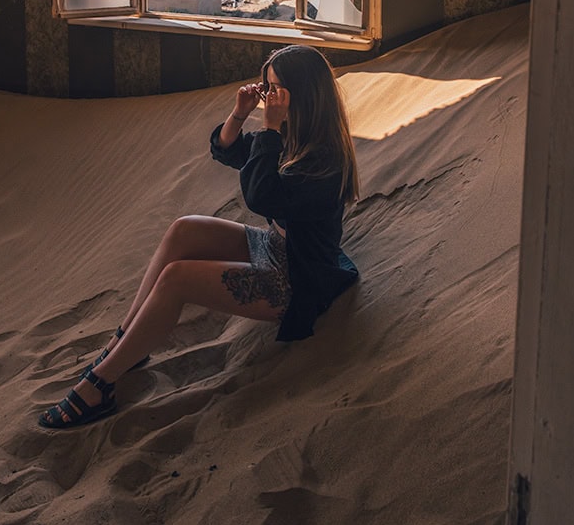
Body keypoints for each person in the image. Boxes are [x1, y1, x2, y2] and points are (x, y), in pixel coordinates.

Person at [38, 44, 360, 430]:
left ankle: (100, 385)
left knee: (177, 279)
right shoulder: (294, 132)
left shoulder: (324, 159)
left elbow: (261, 195)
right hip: (277, 247)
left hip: (299, 280)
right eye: (266, 88)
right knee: (184, 229)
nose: (269, 98)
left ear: (303, 95)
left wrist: (270, 128)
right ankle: (125, 343)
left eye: (276, 90)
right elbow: (227, 151)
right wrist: (240, 114)